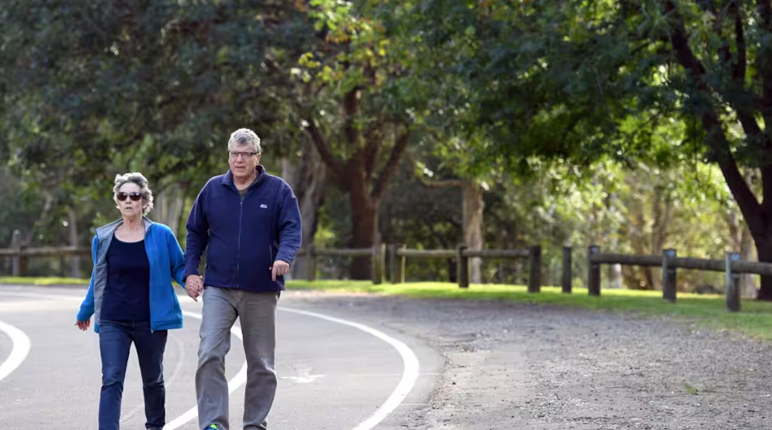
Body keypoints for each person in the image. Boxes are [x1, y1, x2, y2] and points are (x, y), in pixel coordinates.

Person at [184, 128, 302, 430]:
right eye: (234, 154)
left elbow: (291, 229)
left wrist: (283, 257)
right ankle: (213, 424)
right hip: (218, 287)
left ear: (257, 157)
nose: (239, 159)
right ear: (228, 155)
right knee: (209, 352)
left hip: (261, 288)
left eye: (246, 154)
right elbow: (195, 232)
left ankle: (254, 424)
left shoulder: (277, 190)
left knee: (261, 363)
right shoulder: (212, 189)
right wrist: (191, 271)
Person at [76, 172, 195, 430]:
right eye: (123, 196)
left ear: (144, 201)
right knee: (111, 379)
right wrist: (85, 311)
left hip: (150, 321)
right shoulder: (104, 238)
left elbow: (179, 266)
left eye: (134, 196)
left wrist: (190, 282)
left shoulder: (161, 234)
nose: (128, 200)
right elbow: (98, 276)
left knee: (153, 379)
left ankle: (155, 427)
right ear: (117, 202)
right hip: (112, 319)